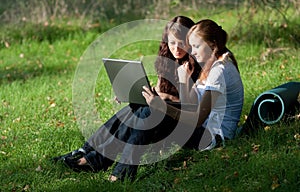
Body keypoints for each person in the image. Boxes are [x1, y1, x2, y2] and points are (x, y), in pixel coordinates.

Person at [52, 16, 201, 181]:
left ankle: (99, 163)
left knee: (146, 111)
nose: (177, 48)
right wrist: (135, 92)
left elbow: (190, 107)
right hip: (164, 111)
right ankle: (88, 154)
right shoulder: (168, 60)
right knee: (136, 107)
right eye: (172, 43)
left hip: (182, 124)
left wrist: (176, 87)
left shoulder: (194, 65)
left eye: (182, 43)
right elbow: (160, 90)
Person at [142, 19, 244, 151]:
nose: (193, 52)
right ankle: (111, 159)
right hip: (204, 131)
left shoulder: (219, 70)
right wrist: (184, 82)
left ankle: (120, 166)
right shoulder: (210, 66)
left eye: (196, 46)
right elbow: (189, 107)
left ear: (212, 44)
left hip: (214, 138)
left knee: (151, 112)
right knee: (141, 109)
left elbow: (197, 120)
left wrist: (163, 107)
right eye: (191, 47)